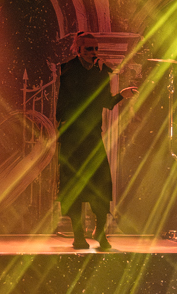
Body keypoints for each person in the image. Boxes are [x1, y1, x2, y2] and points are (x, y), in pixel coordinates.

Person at [55, 32, 137, 251]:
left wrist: (122, 95)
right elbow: (73, 98)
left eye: (95, 49)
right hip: (73, 135)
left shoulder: (100, 72)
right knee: (74, 186)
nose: (93, 53)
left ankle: (100, 233)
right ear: (78, 49)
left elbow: (106, 103)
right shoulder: (69, 69)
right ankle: (78, 236)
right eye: (89, 49)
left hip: (92, 135)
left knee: (99, 184)